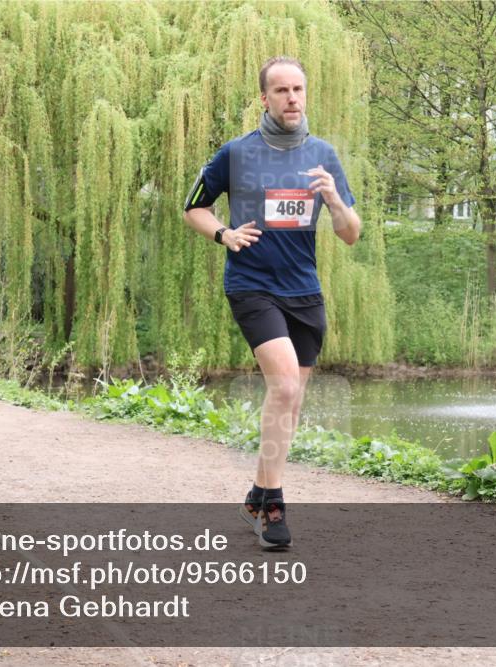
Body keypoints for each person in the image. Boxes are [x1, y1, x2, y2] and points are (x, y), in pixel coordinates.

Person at [182, 56, 361, 549]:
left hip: (304, 291)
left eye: (298, 89)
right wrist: (223, 234)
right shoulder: (237, 153)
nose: (291, 98)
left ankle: (255, 497)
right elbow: (193, 207)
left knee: (291, 400)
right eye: (281, 90)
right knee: (283, 386)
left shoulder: (323, 155)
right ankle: (275, 506)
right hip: (252, 284)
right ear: (264, 98)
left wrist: (336, 200)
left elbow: (350, 234)